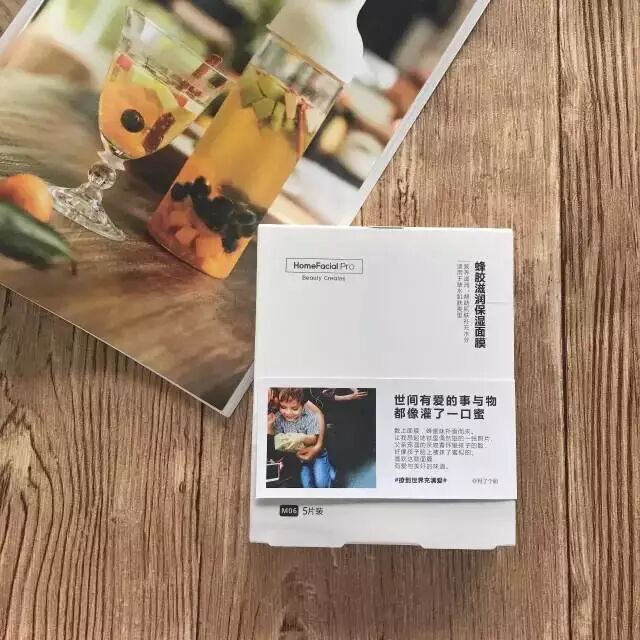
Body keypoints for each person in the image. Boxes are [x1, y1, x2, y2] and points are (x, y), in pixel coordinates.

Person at [269, 388, 335, 488]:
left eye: (294, 409)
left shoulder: (309, 416)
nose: (288, 412)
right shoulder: (278, 417)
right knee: (306, 484)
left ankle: (329, 471)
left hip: (317, 454)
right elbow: (277, 442)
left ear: (302, 405)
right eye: (283, 407)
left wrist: (300, 438)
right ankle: (328, 472)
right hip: (300, 459)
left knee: (321, 484)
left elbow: (313, 439)